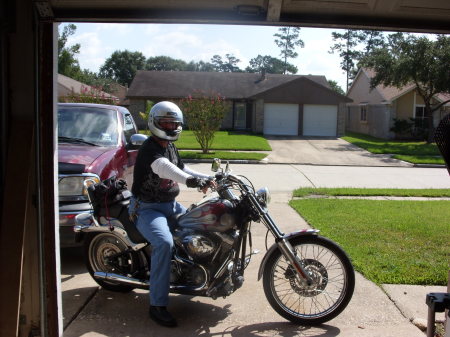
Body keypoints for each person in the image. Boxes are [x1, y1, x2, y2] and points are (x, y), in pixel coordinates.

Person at [129, 101, 214, 327]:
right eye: (166, 122)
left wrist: (208, 178)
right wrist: (191, 181)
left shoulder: (169, 145)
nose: (171, 126)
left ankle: (191, 273)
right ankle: (157, 305)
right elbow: (165, 168)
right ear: (155, 123)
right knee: (164, 243)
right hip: (147, 208)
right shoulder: (150, 149)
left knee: (198, 226)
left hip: (169, 205)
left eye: (174, 123)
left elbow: (182, 168)